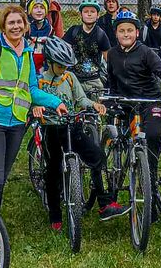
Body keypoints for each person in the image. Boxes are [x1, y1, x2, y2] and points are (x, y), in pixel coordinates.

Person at [0, 5, 66, 247]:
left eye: (19, 23)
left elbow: (31, 90)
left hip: (17, 122)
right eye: (11, 23)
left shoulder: (28, 54)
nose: (16, 27)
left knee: (2, 177)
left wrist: (56, 102)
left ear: (25, 25)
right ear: (3, 26)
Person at [37, 36, 125, 227]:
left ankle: (104, 203)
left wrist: (93, 104)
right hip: (51, 129)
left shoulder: (70, 78)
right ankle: (55, 215)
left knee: (98, 156)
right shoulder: (40, 82)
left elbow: (81, 100)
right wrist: (36, 109)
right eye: (60, 66)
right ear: (50, 62)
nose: (63, 70)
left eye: (66, 66)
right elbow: (33, 101)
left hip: (71, 125)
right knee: (53, 170)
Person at [106, 9, 161, 216]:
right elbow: (111, 80)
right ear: (116, 33)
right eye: (122, 31)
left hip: (150, 101)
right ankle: (121, 173)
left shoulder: (145, 52)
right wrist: (111, 98)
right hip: (127, 102)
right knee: (123, 141)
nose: (126, 34)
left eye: (130, 30)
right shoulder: (112, 54)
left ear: (137, 33)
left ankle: (151, 185)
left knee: (153, 136)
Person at [65, 0, 112, 101]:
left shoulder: (101, 34)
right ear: (81, 14)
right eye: (86, 11)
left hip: (94, 78)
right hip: (74, 77)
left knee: (96, 111)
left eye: (92, 11)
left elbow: (108, 59)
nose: (89, 14)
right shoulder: (73, 31)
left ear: (98, 15)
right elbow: (64, 52)